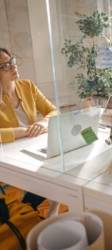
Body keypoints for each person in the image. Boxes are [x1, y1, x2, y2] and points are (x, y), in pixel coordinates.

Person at [0, 48, 58, 215]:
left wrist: (43, 122)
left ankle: (51, 208)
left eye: (12, 61)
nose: (13, 67)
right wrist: (23, 131)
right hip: (9, 154)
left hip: (33, 146)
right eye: (5, 66)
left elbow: (53, 111)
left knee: (59, 168)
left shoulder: (27, 86)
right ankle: (36, 206)